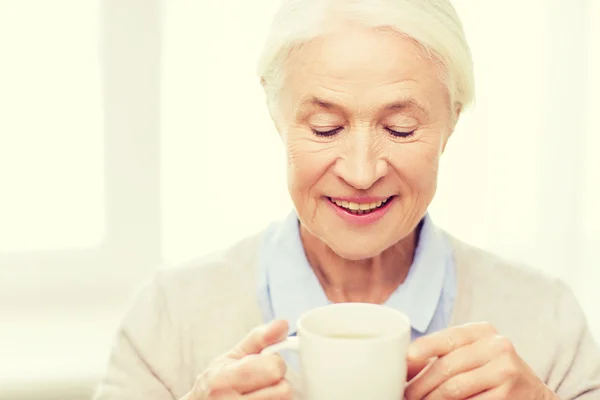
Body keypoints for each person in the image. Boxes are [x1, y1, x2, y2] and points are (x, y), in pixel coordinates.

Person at [94, 0, 600, 399]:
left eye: (400, 129)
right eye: (326, 127)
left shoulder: (548, 322)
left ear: (452, 122)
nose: (361, 173)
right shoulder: (169, 320)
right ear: (278, 119)